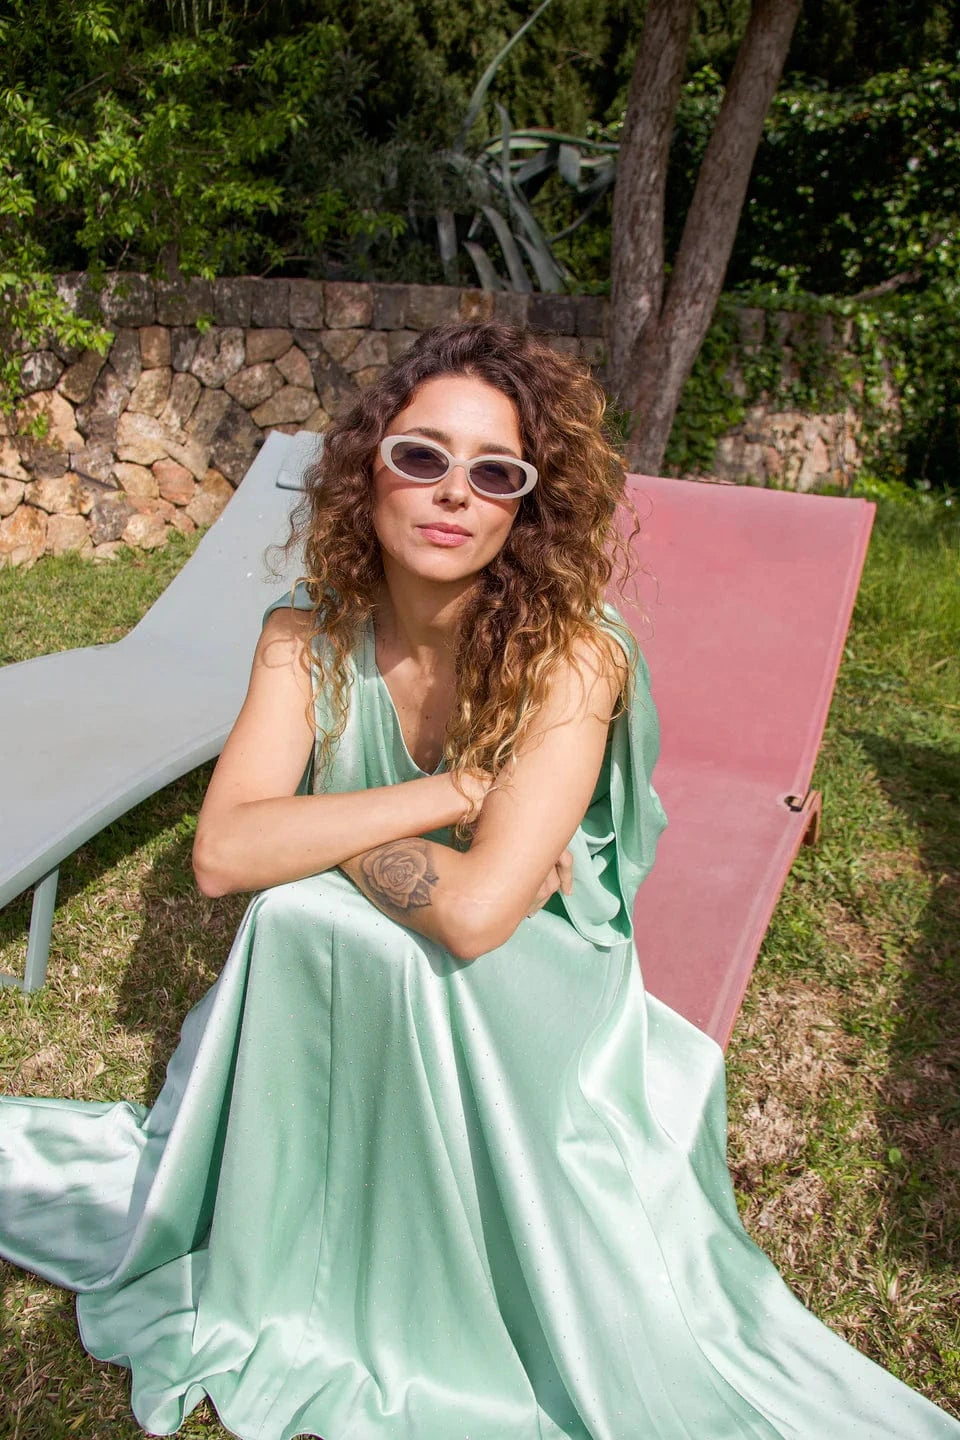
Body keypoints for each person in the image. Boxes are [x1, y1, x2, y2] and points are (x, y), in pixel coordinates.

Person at [0, 321, 957, 1440]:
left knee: (307, 908)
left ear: (523, 511)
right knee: (300, 919)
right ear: (367, 473)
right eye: (422, 456)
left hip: (534, 999)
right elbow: (221, 857)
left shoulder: (572, 657)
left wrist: (305, 830)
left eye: (496, 473)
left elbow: (474, 914)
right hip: (383, 950)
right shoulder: (301, 640)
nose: (455, 491)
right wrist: (450, 795)